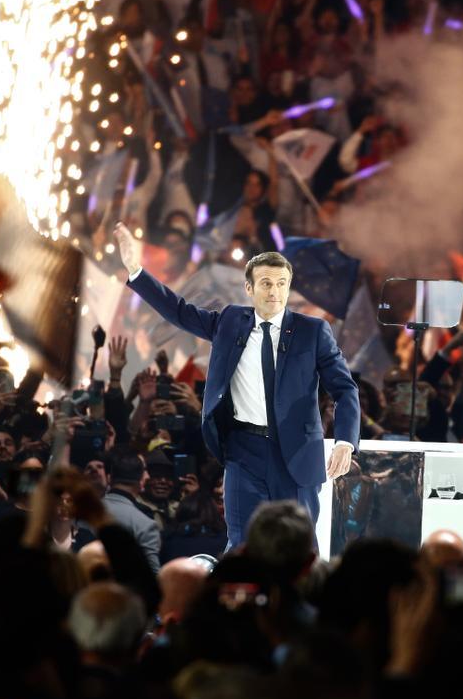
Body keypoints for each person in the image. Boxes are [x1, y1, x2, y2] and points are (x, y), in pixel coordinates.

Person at [114, 223, 360, 548]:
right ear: (249, 288)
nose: (275, 291)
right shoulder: (231, 322)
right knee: (242, 544)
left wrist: (345, 441)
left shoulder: (312, 331)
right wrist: (136, 269)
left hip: (298, 454)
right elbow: (180, 312)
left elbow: (345, 389)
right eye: (266, 283)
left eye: (282, 284)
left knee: (298, 547)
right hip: (244, 451)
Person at [103, 450, 162, 573]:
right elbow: (152, 576)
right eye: (145, 471)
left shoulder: (83, 511)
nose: (148, 476)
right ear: (141, 482)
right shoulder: (144, 525)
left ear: (110, 478)